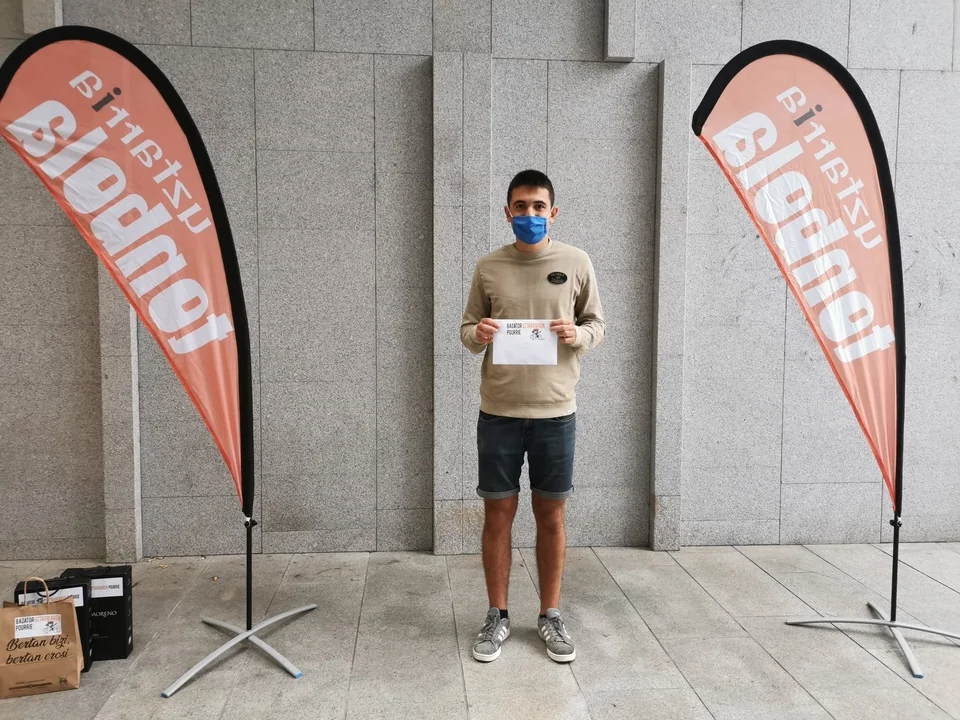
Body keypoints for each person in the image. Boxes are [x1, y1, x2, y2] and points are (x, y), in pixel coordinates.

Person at [459, 169, 605, 663]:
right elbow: (466, 328)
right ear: (507, 213)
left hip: (556, 412)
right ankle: (497, 615)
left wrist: (578, 335)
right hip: (498, 412)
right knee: (498, 515)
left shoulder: (576, 262)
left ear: (553, 213)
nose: (530, 215)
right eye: (520, 207)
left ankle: (550, 614)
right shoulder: (488, 267)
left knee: (552, 515)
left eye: (538, 207)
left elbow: (597, 323)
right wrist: (478, 334)